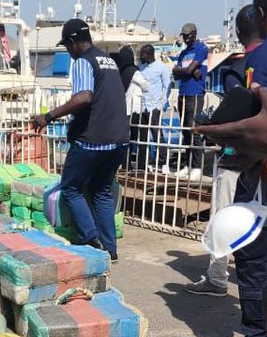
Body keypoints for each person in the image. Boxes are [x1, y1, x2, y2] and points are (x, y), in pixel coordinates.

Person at [196, 0, 267, 337]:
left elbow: (252, 118)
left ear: (260, 16)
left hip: (263, 172)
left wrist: (219, 132)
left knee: (253, 257)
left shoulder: (261, 59)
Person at [32, 18, 129, 260]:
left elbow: (84, 97)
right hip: (118, 140)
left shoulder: (83, 62)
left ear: (74, 42)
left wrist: (49, 115)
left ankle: (91, 241)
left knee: (71, 188)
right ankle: (110, 249)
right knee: (101, 191)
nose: (68, 51)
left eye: (67, 46)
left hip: (92, 140)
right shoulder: (108, 61)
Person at [186, 4, 263, 296]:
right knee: (262, 222)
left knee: (224, 217)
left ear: (240, 33)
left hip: (235, 157)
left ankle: (218, 278)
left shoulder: (238, 70)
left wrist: (209, 127)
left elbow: (232, 112)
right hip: (263, 160)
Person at [172, 22, 208, 181]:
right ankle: (188, 164)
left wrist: (185, 71)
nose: (185, 38)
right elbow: (176, 73)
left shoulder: (201, 49)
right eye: (184, 35)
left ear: (195, 34)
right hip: (183, 93)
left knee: (194, 130)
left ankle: (197, 166)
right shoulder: (183, 53)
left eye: (188, 35)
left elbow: (183, 70)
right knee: (185, 131)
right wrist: (189, 71)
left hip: (195, 94)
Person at [137, 44, 172, 171]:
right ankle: (145, 162)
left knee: (157, 134)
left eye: (142, 54)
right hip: (142, 105)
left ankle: (163, 161)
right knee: (143, 135)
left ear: (149, 54)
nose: (141, 56)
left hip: (154, 105)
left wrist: (162, 103)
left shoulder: (161, 68)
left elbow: (167, 85)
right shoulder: (141, 67)